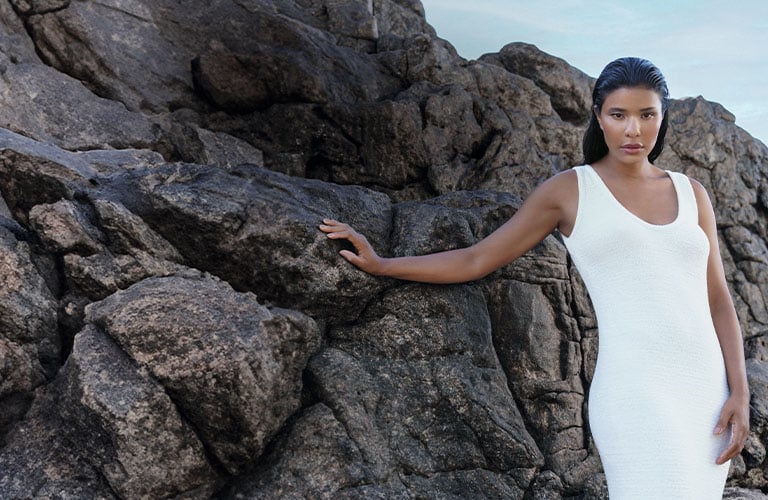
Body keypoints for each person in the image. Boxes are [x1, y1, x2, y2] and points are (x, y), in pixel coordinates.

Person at [319, 57, 749, 499]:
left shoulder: (691, 193)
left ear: (663, 117)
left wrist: (740, 391)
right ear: (599, 117)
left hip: (705, 394)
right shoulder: (571, 190)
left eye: (647, 115)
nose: (633, 130)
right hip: (636, 392)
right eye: (619, 115)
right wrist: (383, 263)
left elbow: (717, 299)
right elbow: (477, 258)